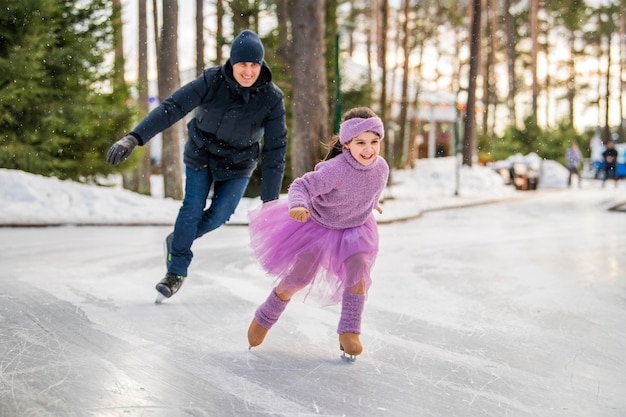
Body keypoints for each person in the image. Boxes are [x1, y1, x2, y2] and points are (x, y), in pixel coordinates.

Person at [105, 30, 288, 300]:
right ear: (232, 63)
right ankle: (175, 272)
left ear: (261, 65)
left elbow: (275, 151)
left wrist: (270, 202)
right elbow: (172, 108)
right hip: (202, 153)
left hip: (239, 162)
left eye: (254, 65)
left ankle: (178, 239)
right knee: (191, 208)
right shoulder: (212, 81)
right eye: (242, 64)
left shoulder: (272, 98)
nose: (248, 71)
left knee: (220, 215)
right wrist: (133, 138)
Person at [246, 107, 389, 360]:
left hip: (356, 228)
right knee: (298, 279)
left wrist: (371, 203)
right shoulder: (335, 170)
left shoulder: (381, 168)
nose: (369, 149)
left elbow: (372, 188)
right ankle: (264, 317)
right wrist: (298, 205)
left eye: (374, 142)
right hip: (319, 227)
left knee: (359, 271)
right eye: (361, 143)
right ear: (347, 144)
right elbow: (301, 185)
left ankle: (349, 332)